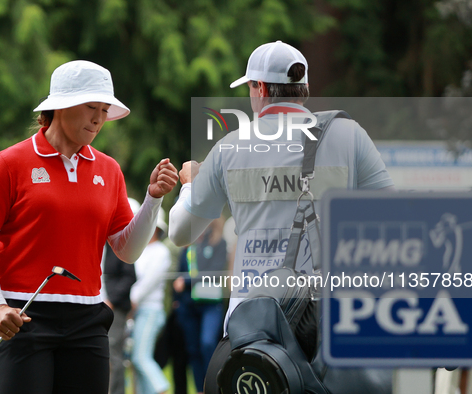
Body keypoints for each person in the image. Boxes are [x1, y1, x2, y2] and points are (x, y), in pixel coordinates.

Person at [168, 41, 395, 394]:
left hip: (254, 331)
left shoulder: (229, 147)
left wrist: (188, 186)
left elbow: (180, 232)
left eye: (249, 89)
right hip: (333, 326)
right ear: (303, 89)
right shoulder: (350, 137)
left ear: (259, 89)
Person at [0, 60, 178, 394]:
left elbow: (127, 250)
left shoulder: (108, 169)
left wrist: (153, 199)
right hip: (22, 317)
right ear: (60, 107)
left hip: (87, 319)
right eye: (91, 106)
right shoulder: (10, 163)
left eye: (105, 110)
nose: (98, 118)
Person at [173, 218, 227, 394]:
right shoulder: (189, 244)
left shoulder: (219, 242)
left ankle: (214, 386)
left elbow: (215, 272)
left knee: (207, 343)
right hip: (188, 306)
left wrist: (187, 281)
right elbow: (179, 270)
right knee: (193, 349)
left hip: (210, 304)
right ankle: (199, 389)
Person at [130, 209, 171, 394]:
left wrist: (131, 300)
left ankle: (161, 389)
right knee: (135, 360)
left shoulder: (161, 252)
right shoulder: (140, 251)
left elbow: (147, 283)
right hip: (136, 312)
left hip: (150, 311)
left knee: (140, 357)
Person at [102, 198, 139, 394]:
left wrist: (112, 301)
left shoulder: (121, 243)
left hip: (114, 309)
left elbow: (130, 277)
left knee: (113, 356)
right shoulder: (101, 244)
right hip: (99, 305)